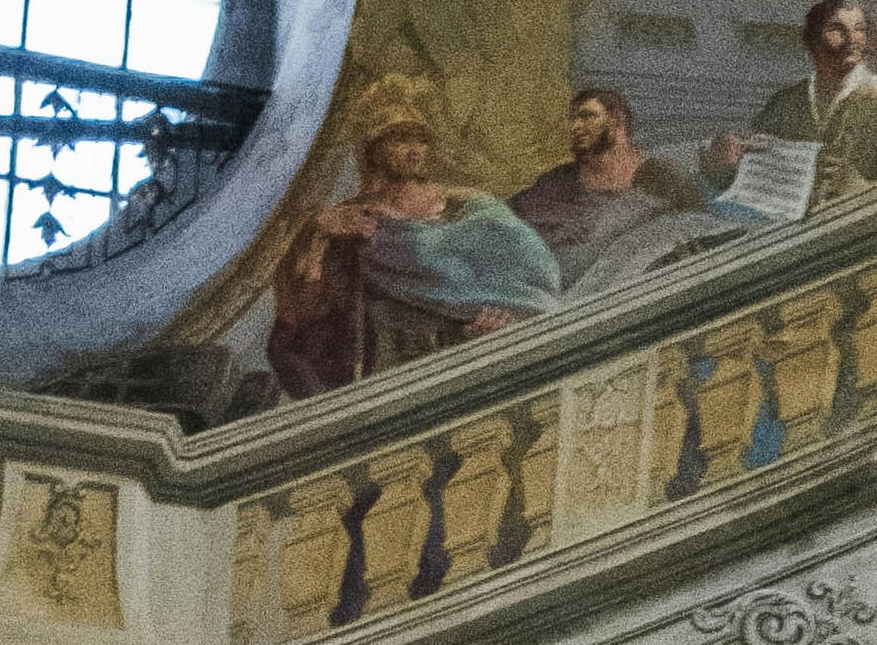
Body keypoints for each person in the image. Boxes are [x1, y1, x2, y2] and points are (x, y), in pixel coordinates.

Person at [267, 98, 560, 404]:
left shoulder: (467, 204)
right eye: (401, 140)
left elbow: (528, 264)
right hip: (385, 358)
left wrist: (508, 317)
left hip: (461, 344)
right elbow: (307, 309)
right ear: (375, 149)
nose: (414, 150)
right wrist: (317, 234)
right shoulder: (350, 217)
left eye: (420, 140)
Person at [508, 83, 719, 286]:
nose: (575, 126)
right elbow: (506, 224)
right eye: (573, 119)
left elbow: (695, 229)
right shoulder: (557, 181)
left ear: (617, 120)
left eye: (587, 116)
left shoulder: (661, 176)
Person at [752, 0, 877, 202]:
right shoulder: (784, 102)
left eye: (859, 29)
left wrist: (860, 188)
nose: (851, 39)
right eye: (836, 29)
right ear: (811, 40)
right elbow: (755, 170)